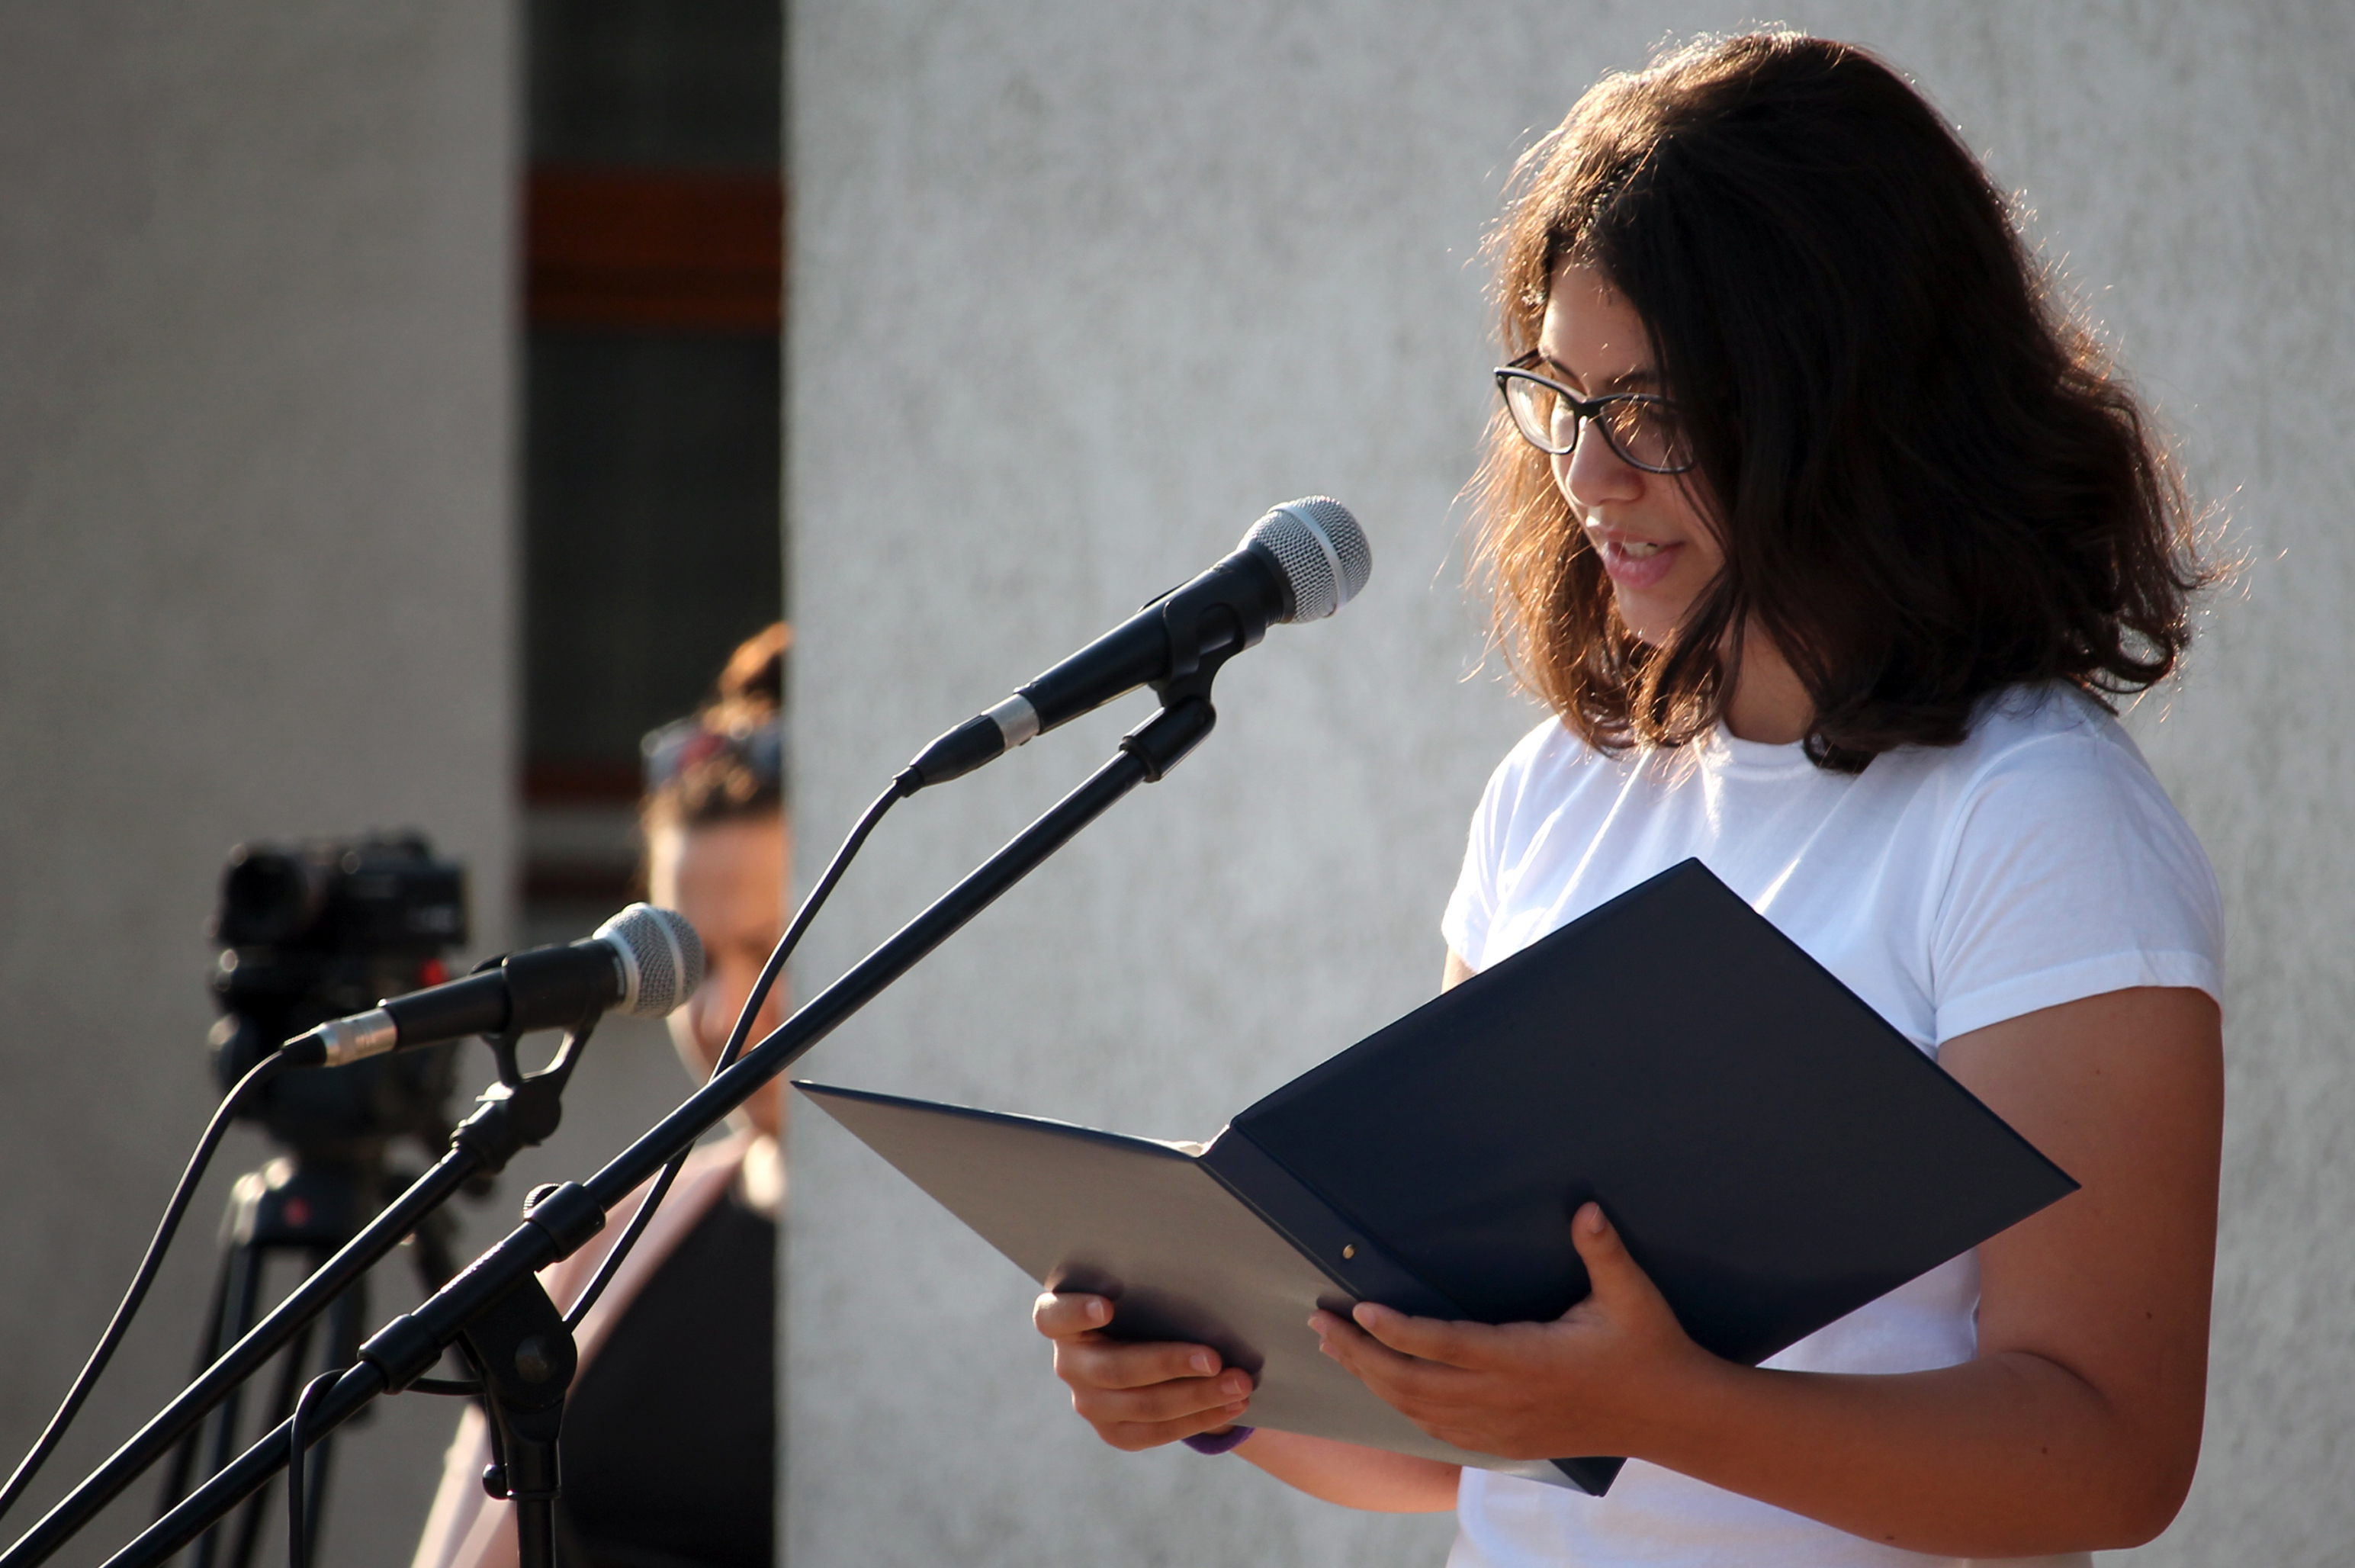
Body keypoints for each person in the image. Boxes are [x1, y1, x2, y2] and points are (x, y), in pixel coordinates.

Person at [1033, 34, 2223, 1568]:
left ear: (1850, 401)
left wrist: (1667, 1405)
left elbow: (2106, 1455)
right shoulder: (1555, 793)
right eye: (1560, 395)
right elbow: (1471, 1430)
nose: (1588, 476)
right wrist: (1212, 1382)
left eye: (1655, 407)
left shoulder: (2032, 818)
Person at [413, 624, 792, 1568]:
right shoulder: (607, 1240)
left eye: (768, 950)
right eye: (693, 961)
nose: (720, 1014)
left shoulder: (980, 1251)